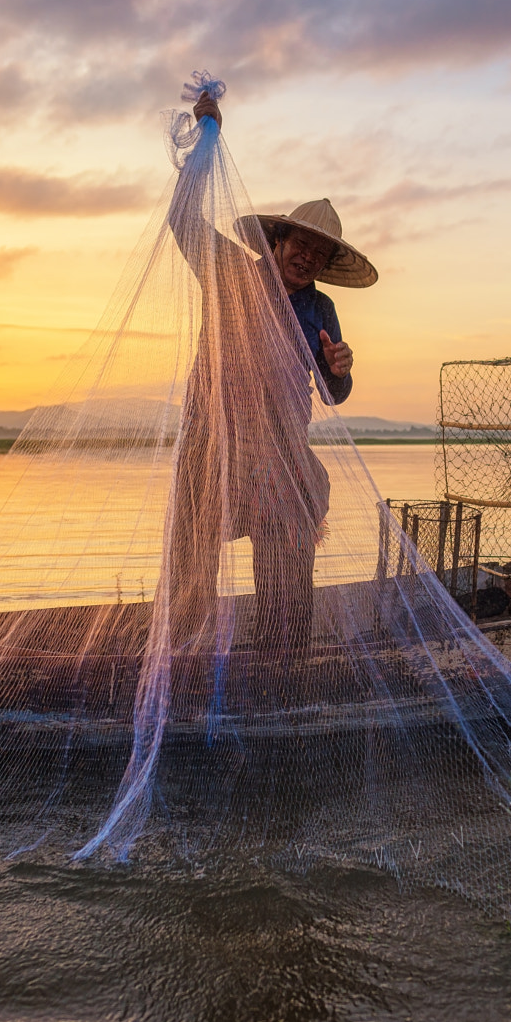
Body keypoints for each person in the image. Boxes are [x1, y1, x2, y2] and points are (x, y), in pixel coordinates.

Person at [162, 89, 378, 664]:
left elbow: (332, 395)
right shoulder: (232, 272)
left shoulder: (321, 312)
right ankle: (184, 659)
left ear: (326, 265)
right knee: (191, 554)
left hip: (282, 452)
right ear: (277, 241)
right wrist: (206, 140)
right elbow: (182, 220)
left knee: (286, 566)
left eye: (319, 253)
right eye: (299, 243)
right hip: (214, 440)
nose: (307, 257)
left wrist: (340, 374)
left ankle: (284, 666)